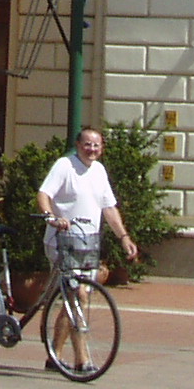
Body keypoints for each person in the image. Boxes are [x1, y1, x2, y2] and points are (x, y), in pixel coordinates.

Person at [36, 128, 138, 371]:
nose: (91, 149)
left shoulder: (99, 171)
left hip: (87, 244)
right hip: (61, 241)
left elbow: (109, 208)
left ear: (101, 148)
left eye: (96, 145)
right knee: (78, 295)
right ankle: (82, 360)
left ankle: (55, 356)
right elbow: (43, 194)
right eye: (87, 144)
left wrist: (124, 237)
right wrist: (51, 217)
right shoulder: (65, 166)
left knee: (76, 297)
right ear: (78, 144)